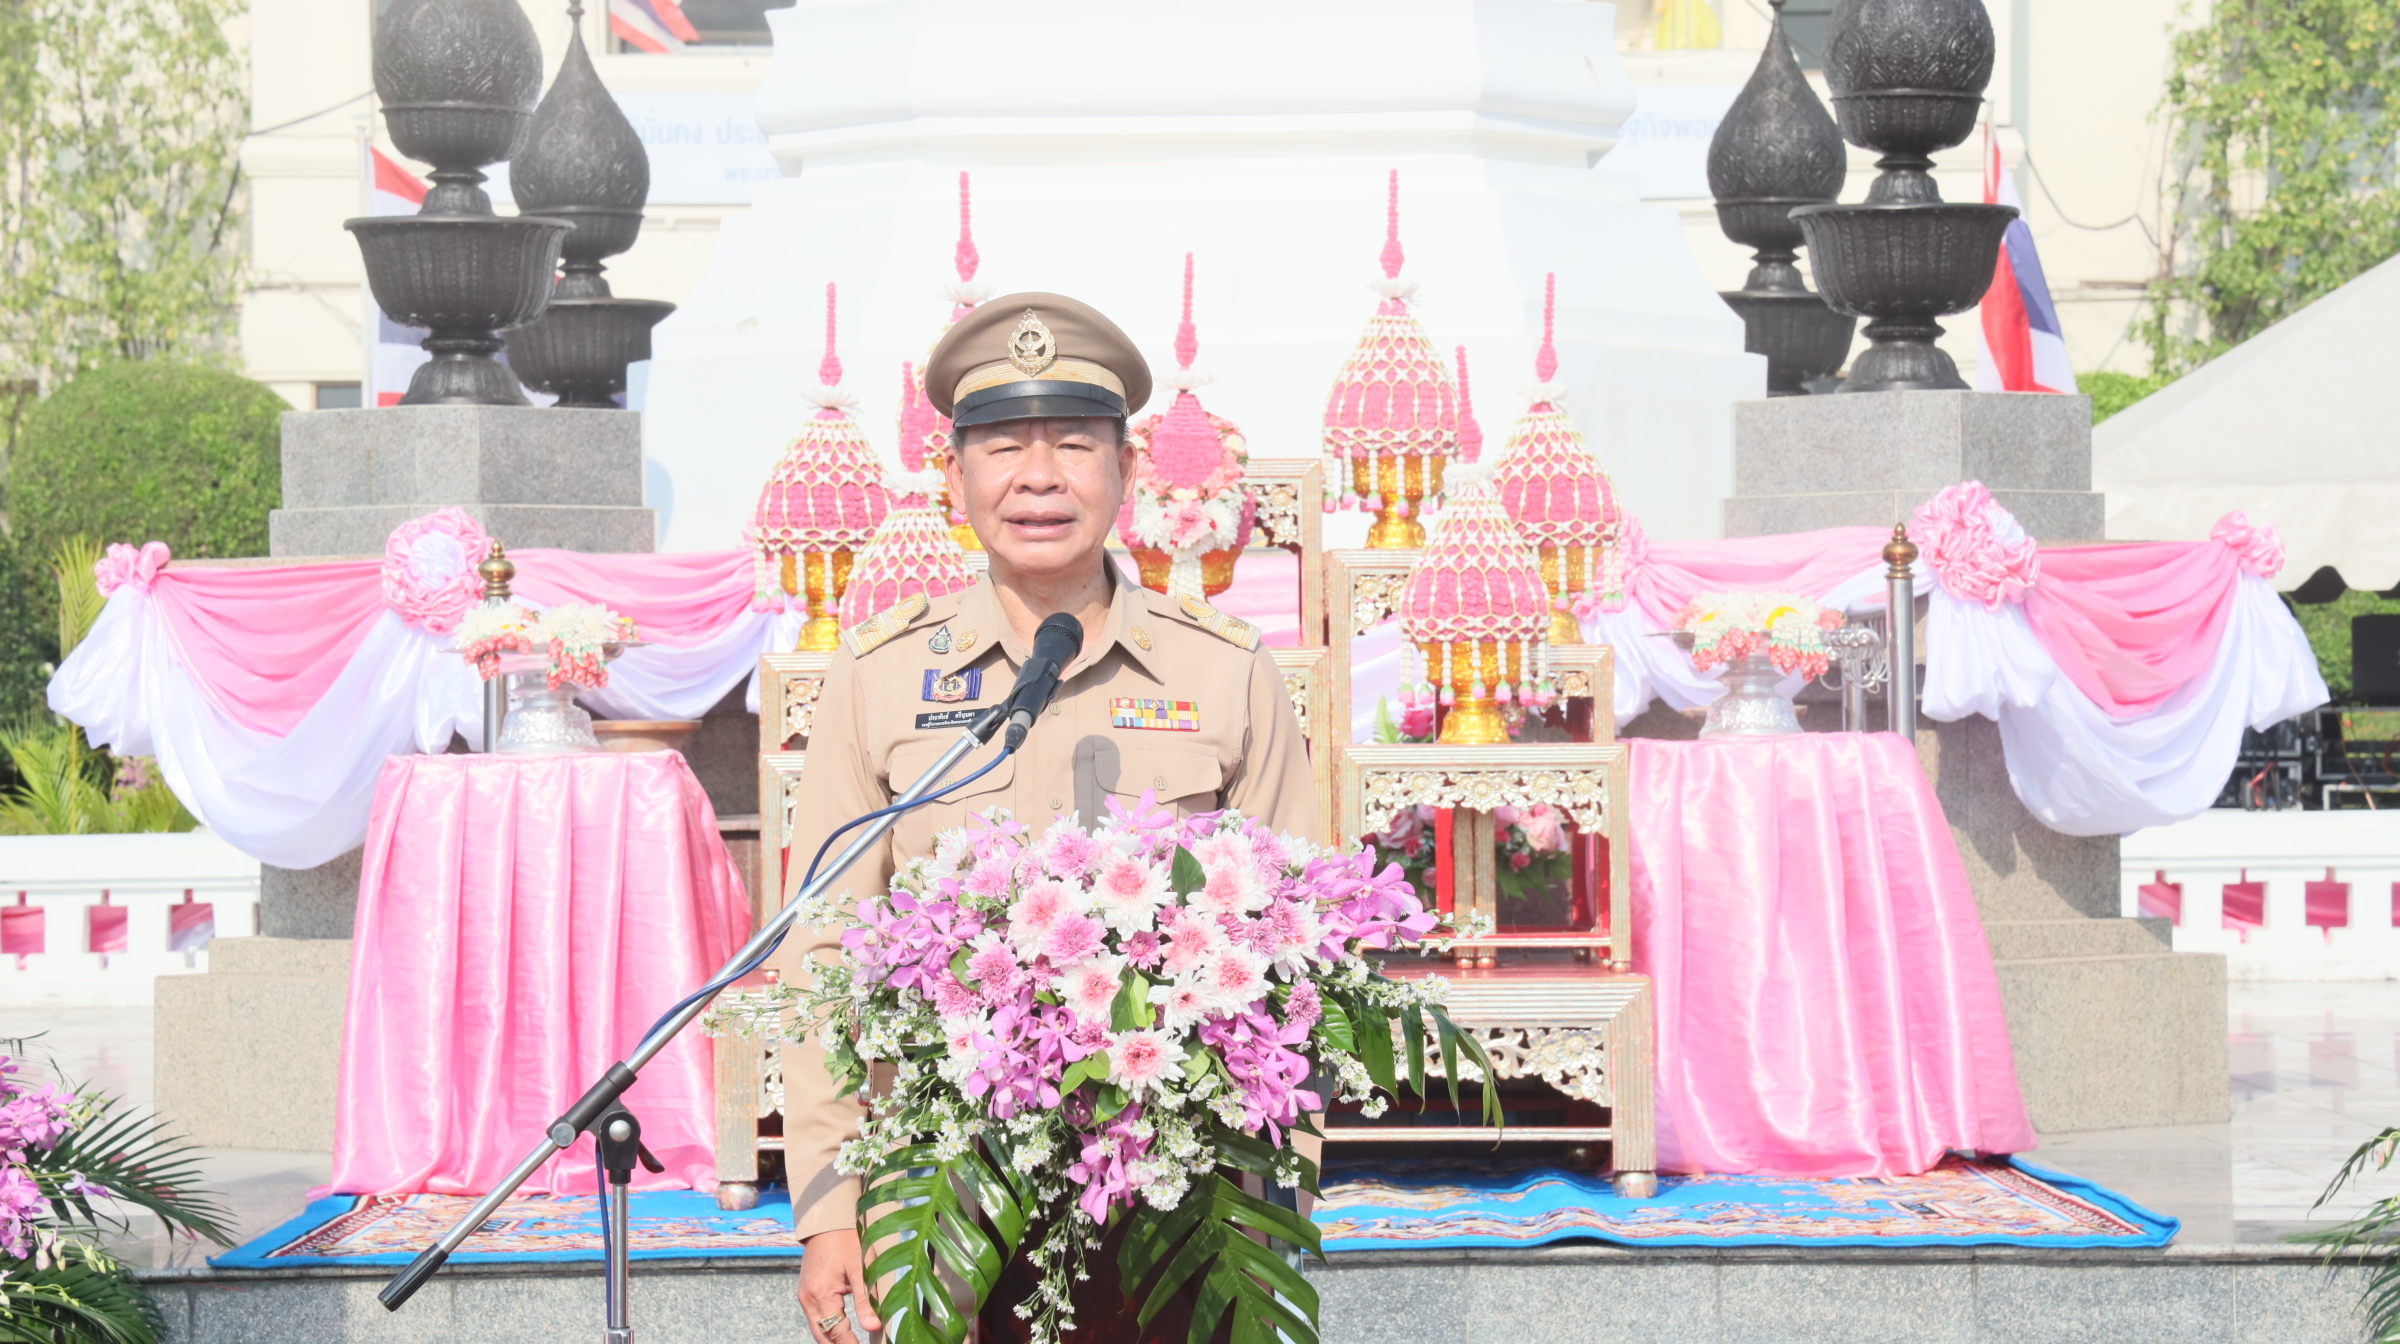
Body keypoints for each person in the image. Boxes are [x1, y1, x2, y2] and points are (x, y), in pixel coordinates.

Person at [775, 292, 1321, 1344]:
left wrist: (1277, 1195)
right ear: (956, 478)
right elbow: (822, 948)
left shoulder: (1224, 670)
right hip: (945, 1186)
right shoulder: (882, 676)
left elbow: (1294, 949)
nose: (1038, 477)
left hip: (1180, 1190)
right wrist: (830, 1203)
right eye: (1003, 448)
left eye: (1074, 443)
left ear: (1125, 469)